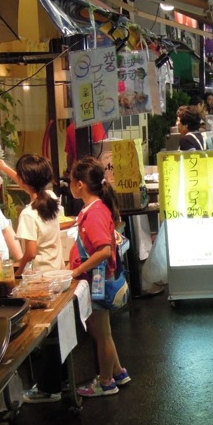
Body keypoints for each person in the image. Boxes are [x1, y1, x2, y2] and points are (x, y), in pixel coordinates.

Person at [70, 157, 131, 397]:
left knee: (102, 333)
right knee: (101, 331)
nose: (69, 186)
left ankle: (106, 382)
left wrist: (76, 270)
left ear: (80, 184)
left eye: (71, 181)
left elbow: (104, 250)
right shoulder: (96, 208)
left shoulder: (94, 212)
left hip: (98, 280)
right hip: (101, 278)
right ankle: (118, 372)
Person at [0, 154, 63, 276]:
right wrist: (5, 168)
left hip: (41, 275)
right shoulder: (50, 197)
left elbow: (31, 252)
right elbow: (29, 185)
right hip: (57, 270)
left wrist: (19, 271)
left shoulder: (28, 214)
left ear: (23, 180)